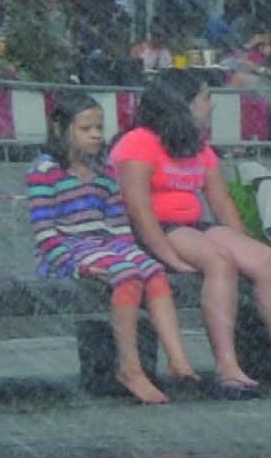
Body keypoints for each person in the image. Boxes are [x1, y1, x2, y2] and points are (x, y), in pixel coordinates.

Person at [112, 88, 271, 395]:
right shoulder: (138, 142)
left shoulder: (196, 145)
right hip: (152, 230)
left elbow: (221, 203)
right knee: (219, 261)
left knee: (264, 259)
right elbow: (138, 209)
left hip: (192, 225)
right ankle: (227, 365)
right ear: (183, 104)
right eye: (205, 98)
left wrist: (241, 242)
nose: (212, 105)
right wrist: (169, 257)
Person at [28, 102, 195, 405]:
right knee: (128, 276)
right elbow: (44, 232)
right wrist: (72, 265)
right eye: (86, 129)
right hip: (68, 251)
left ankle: (178, 358)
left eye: (99, 128)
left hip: (106, 245)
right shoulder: (45, 171)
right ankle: (130, 367)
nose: (95, 135)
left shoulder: (104, 170)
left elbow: (117, 224)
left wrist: (131, 253)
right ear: (61, 130)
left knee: (153, 272)